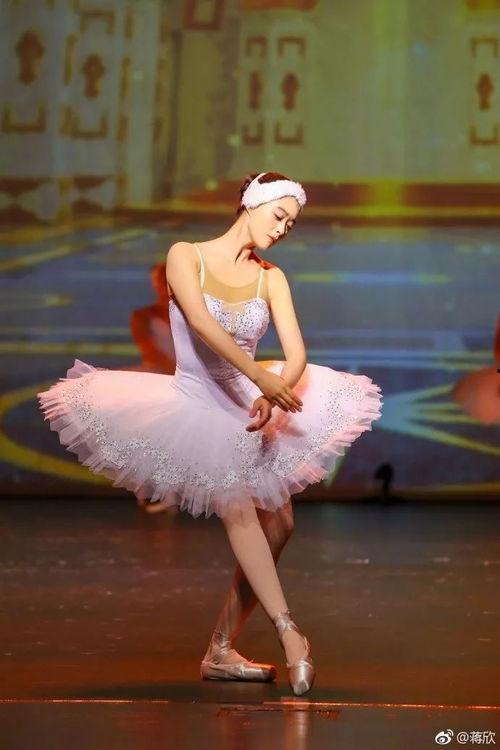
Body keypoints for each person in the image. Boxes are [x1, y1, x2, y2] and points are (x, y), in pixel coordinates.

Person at [37, 171, 383, 696]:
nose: (283, 228)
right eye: (278, 216)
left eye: (291, 223)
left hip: (249, 404)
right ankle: (291, 634)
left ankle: (221, 648)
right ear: (251, 204)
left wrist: (273, 391)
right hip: (197, 402)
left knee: (280, 527)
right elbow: (202, 324)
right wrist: (262, 378)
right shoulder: (186, 256)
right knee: (239, 507)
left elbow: (296, 355)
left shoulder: (271, 278)